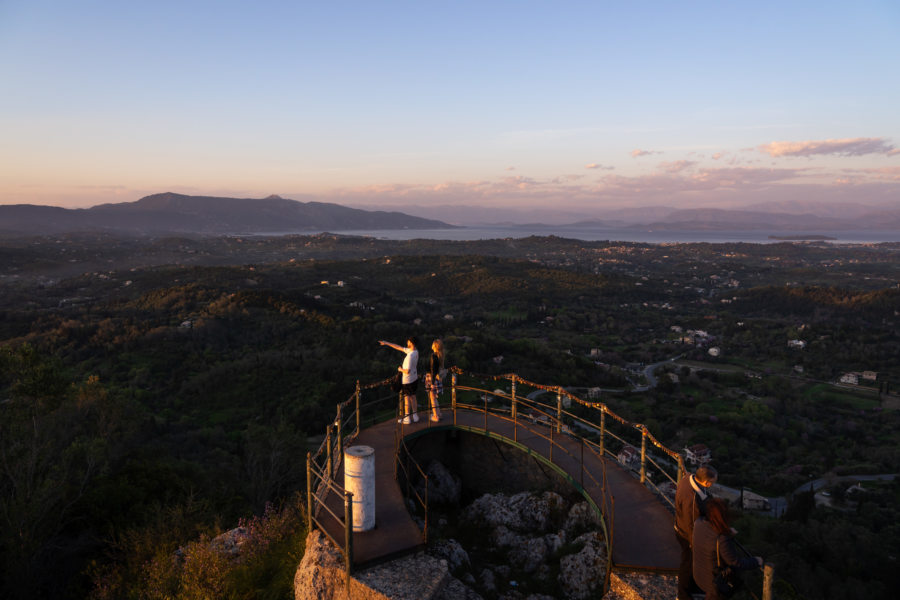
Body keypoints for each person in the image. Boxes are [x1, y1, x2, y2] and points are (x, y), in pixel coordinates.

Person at [692, 498, 763, 599]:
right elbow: (736, 562)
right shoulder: (721, 538)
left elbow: (709, 536)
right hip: (715, 584)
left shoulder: (698, 523)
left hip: (699, 575)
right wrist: (756, 561)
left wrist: (727, 532)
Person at [674, 465, 717, 600]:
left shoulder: (688, 478)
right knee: (687, 564)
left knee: (692, 562)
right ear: (706, 482)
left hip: (680, 526)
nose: (712, 485)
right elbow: (690, 525)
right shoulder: (692, 499)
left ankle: (694, 586)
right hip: (686, 535)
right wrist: (694, 543)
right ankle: (683, 595)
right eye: (713, 482)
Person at [379, 337, 419, 424]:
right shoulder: (415, 351)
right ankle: (415, 416)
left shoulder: (410, 356)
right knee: (413, 396)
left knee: (407, 398)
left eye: (408, 341)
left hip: (407, 380)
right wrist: (386, 342)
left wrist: (400, 369)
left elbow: (407, 371)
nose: (407, 342)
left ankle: (407, 418)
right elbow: (399, 347)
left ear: (411, 343)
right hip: (414, 378)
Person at [425, 339, 445, 422]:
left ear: (435, 346)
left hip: (432, 378)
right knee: (434, 398)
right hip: (436, 378)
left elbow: (433, 370)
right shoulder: (440, 355)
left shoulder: (433, 356)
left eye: (433, 344)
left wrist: (432, 383)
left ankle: (435, 416)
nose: (432, 345)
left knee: (432, 398)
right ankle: (438, 414)